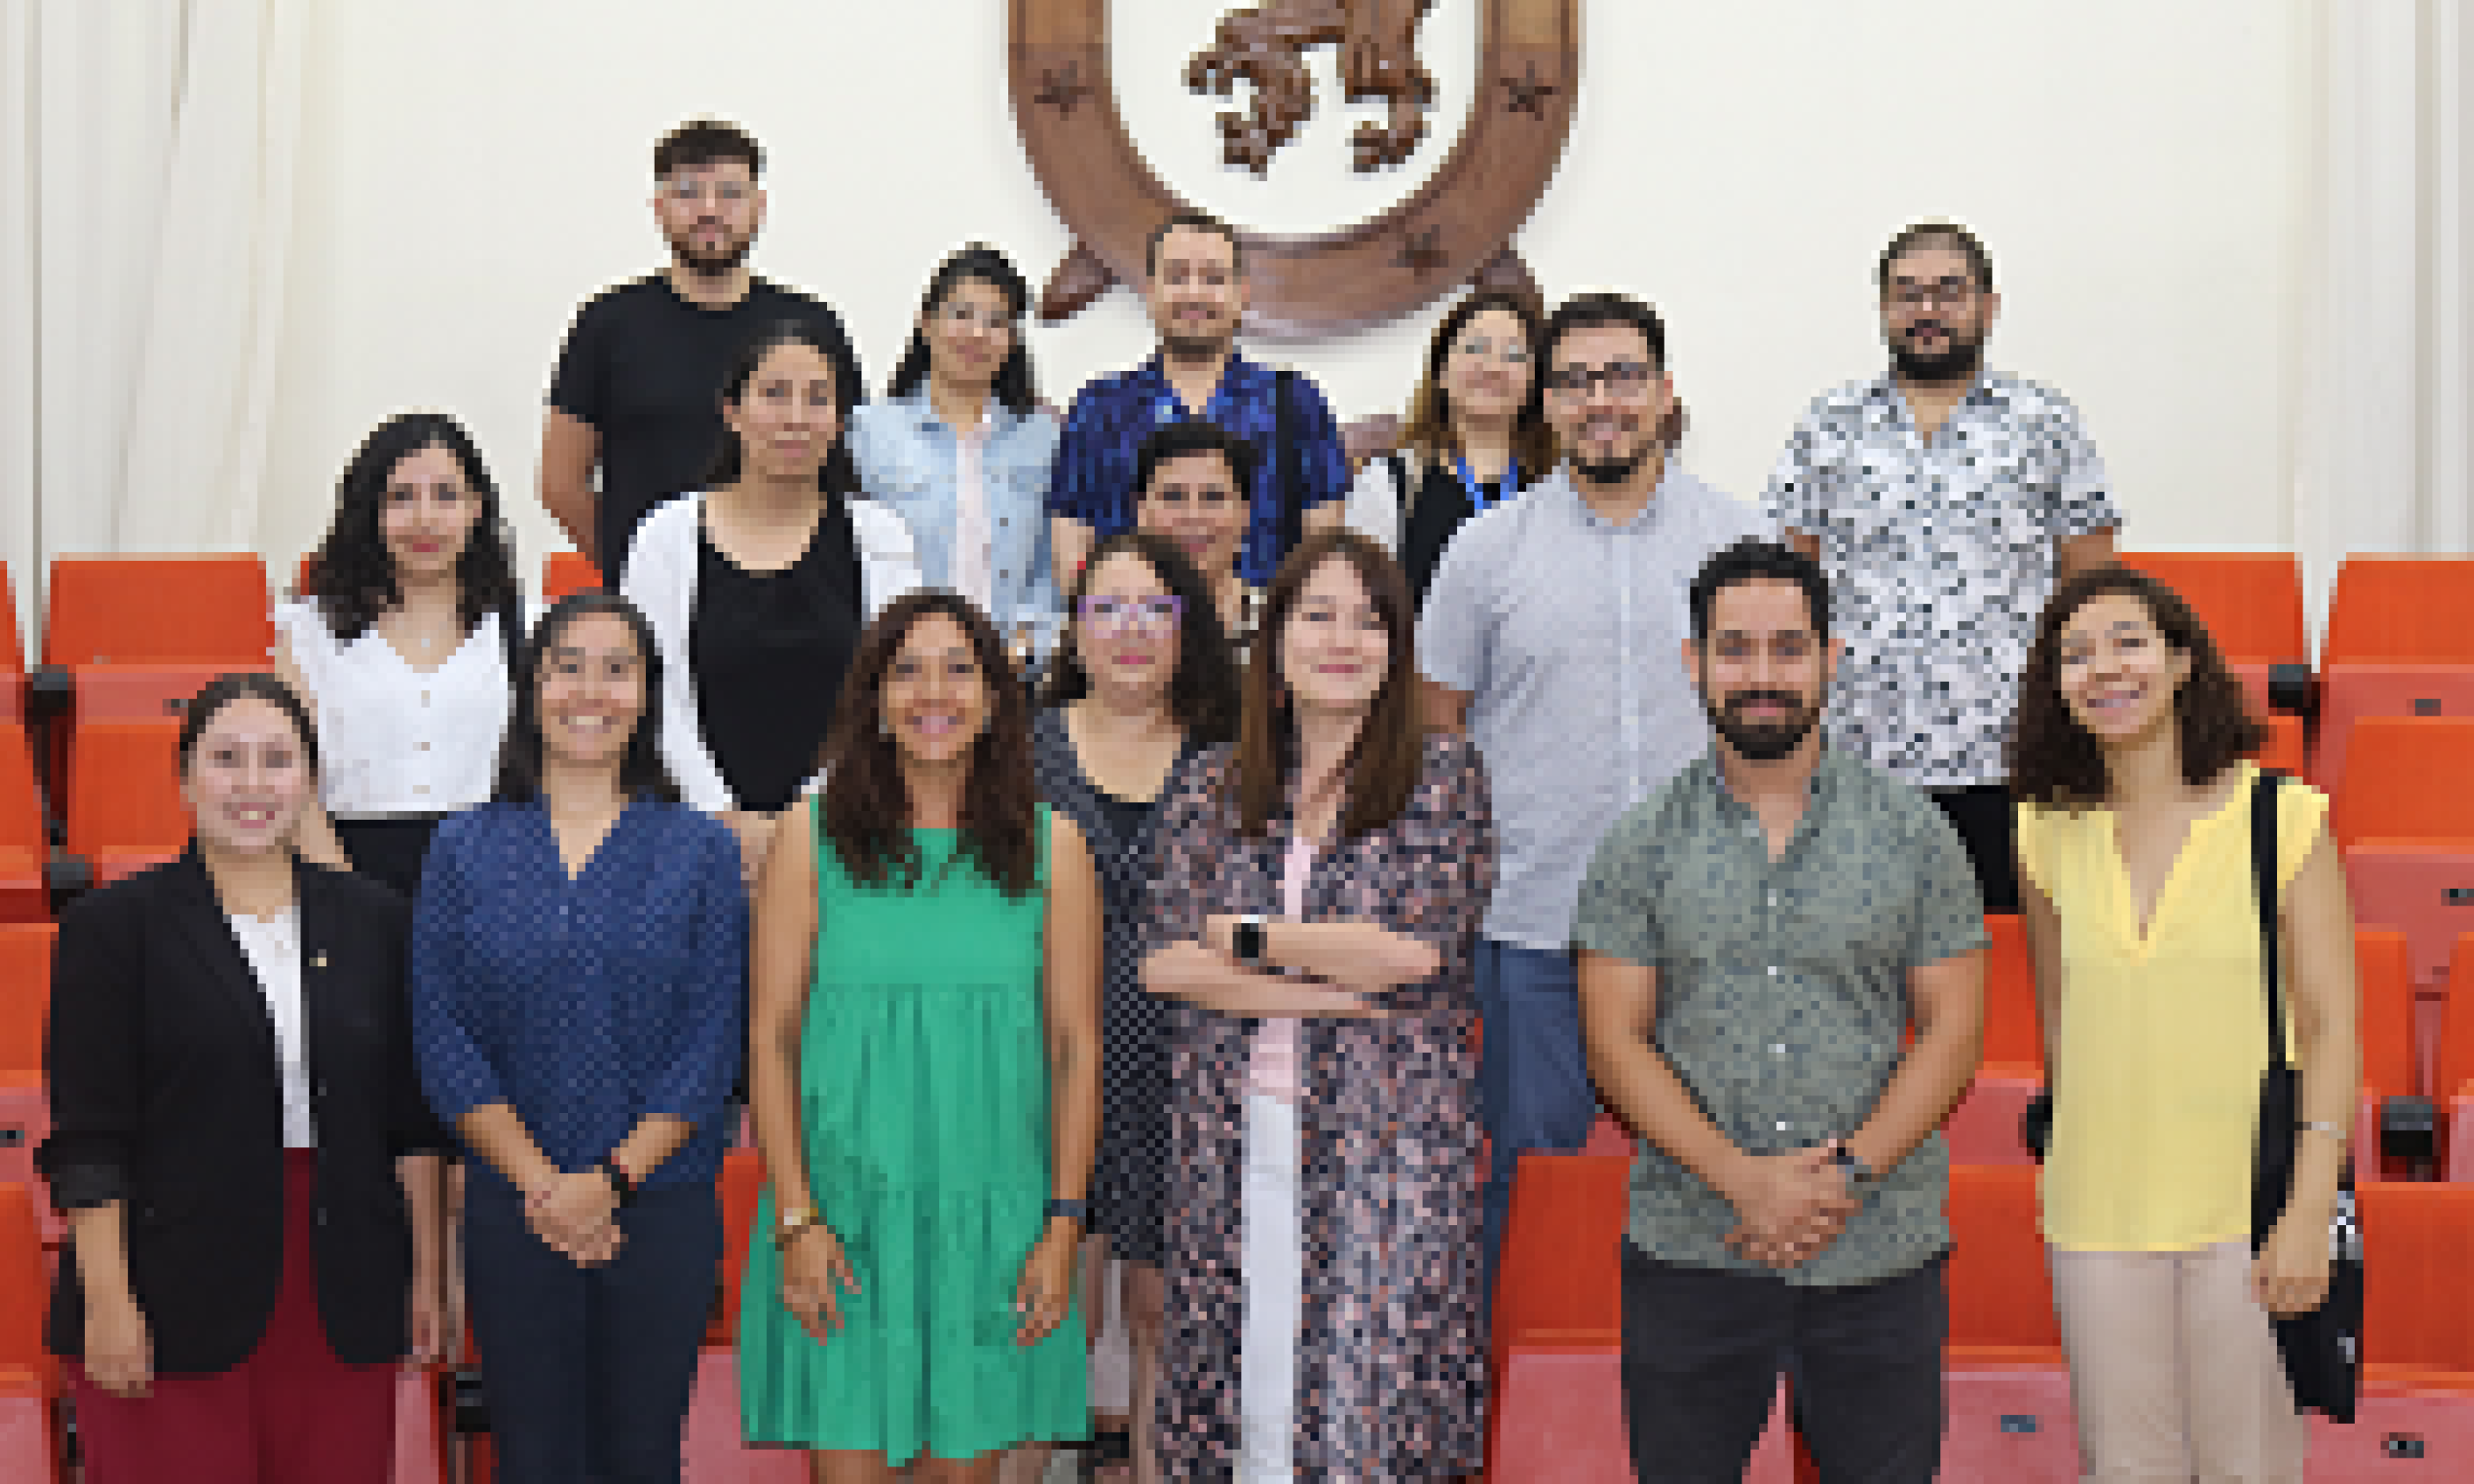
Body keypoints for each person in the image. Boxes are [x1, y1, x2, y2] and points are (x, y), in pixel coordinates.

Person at [1574, 538, 1988, 1483]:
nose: (1762, 675)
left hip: (1876, 1250)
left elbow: (1955, 1032)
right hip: (1691, 1246)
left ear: (1830, 658)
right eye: (1735, 649)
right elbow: (1613, 1041)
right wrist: (1741, 1179)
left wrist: (1840, 1176)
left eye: (1788, 648)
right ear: (1694, 662)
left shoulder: (1915, 834)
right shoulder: (1638, 845)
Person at [1418, 291, 1770, 1302]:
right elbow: (1439, 735)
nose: (1600, 401)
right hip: (1534, 927)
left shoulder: (1738, 545)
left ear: (1665, 393)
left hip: (1709, 931)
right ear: (1546, 403)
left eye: (1622, 377)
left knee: (1715, 1178)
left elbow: (1783, 725)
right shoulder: (1485, 552)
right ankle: (1513, 1418)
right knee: (1528, 1179)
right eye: (1575, 381)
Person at [1142, 529, 1496, 1480]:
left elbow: (1411, 953)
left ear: (1398, 646)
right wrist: (1337, 991)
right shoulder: (1212, 782)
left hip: (1388, 1141)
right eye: (1318, 614)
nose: (1343, 638)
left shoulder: (1442, 777)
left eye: (1369, 619)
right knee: (1244, 1382)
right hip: (1233, 1133)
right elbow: (1167, 966)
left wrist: (1249, 938)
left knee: (1369, 1396)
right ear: (1275, 639)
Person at [40, 673, 451, 1483]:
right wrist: (109, 1301)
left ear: (311, 780)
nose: (253, 785)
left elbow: (410, 1125)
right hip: (165, 1286)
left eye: (277, 760)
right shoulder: (112, 929)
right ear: (185, 778)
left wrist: (426, 1278)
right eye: (227, 760)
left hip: (342, 1285)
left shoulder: (378, 921)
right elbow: (89, 1140)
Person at [738, 591, 1102, 1481]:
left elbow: (1076, 1052)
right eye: (904, 669)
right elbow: (772, 1039)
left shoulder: (1054, 852)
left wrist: (1061, 1226)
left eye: (957, 668)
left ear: (992, 701)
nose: (930, 691)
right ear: (872, 701)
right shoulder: (807, 839)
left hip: (994, 1231)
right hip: (842, 1226)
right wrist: (796, 1221)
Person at [2011, 565, 2360, 1482]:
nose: (2103, 668)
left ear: (2178, 662)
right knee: (2124, 1469)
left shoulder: (2280, 816)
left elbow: (2330, 1024)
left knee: (2249, 1470)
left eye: (2127, 641)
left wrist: (2308, 1207)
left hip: (2245, 1211)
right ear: (2056, 688)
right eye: (2074, 654)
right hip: (2095, 1214)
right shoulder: (2044, 830)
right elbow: (2060, 1019)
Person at [412, 593, 748, 1483]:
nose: (589, 689)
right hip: (513, 1206)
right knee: (532, 1459)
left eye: (616, 668)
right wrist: (547, 1190)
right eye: (566, 664)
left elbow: (710, 1043)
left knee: (642, 1457)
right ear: (530, 688)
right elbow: (444, 1037)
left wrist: (609, 1183)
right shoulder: (462, 848)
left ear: (648, 695)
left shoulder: (699, 852)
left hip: (661, 1203)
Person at [1764, 221, 2121, 913]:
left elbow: (2092, 594)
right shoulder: (1828, 424)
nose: (1927, 312)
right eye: (1908, 295)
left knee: (2006, 974)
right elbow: (1788, 593)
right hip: (1858, 764)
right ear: (1882, 309)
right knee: (1864, 975)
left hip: (2012, 765)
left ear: (1988, 307)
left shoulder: (2046, 422)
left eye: (1948, 293)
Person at [1032, 531, 1241, 1483]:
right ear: (1071, 628)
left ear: (1185, 630)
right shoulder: (1019, 753)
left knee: (1165, 1309)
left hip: (1187, 1065)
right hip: (1047, 1061)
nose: (1128, 630)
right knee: (1047, 1308)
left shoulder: (1231, 759)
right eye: (1104, 607)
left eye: (1153, 609)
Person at [621, 320, 922, 878]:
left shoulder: (880, 535)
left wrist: (805, 821)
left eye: (817, 398)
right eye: (774, 393)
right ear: (732, 410)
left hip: (844, 834)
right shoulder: (668, 533)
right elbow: (653, 691)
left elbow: (892, 690)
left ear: (839, 422)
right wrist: (722, 817)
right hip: (692, 835)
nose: (795, 417)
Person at [543, 118, 862, 575]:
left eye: (731, 193)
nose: (709, 210)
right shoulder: (607, 323)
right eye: (688, 192)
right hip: (649, 598)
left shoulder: (811, 325)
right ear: (658, 207)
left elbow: (845, 467)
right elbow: (560, 482)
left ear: (760, 206)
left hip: (797, 585)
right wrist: (634, 563)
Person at [279, 412, 525, 897]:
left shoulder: (528, 627)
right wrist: (345, 897)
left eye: (446, 495)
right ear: (368, 512)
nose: (425, 518)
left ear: (478, 508)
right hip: (342, 868)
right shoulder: (305, 630)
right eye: (400, 497)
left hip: (496, 877)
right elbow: (293, 783)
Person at [1047, 210, 1348, 593]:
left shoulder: (1295, 402)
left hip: (1258, 640)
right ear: (1150, 290)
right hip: (1133, 637)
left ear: (1243, 294)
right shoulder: (1100, 407)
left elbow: (1323, 554)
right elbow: (1072, 549)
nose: (1194, 293)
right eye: (1177, 277)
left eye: (1213, 278)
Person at [851, 245, 1063, 671]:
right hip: (899, 671)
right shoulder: (868, 430)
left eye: (996, 321)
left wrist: (1030, 644)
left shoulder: (1044, 436)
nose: (976, 333)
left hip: (1013, 675)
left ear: (1012, 340)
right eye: (961, 314)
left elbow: (1051, 561)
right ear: (927, 323)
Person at [1344, 286, 1554, 605]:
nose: (1493, 367)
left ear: (1536, 383)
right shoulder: (1389, 485)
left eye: (1514, 355)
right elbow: (1359, 611)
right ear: (1440, 372)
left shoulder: (1559, 488)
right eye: (1475, 349)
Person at [1132, 420, 1261, 655]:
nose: (1193, 516)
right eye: (1172, 497)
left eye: (1213, 496)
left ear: (1245, 513)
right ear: (1141, 512)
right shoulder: (1102, 628)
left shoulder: (1280, 629)